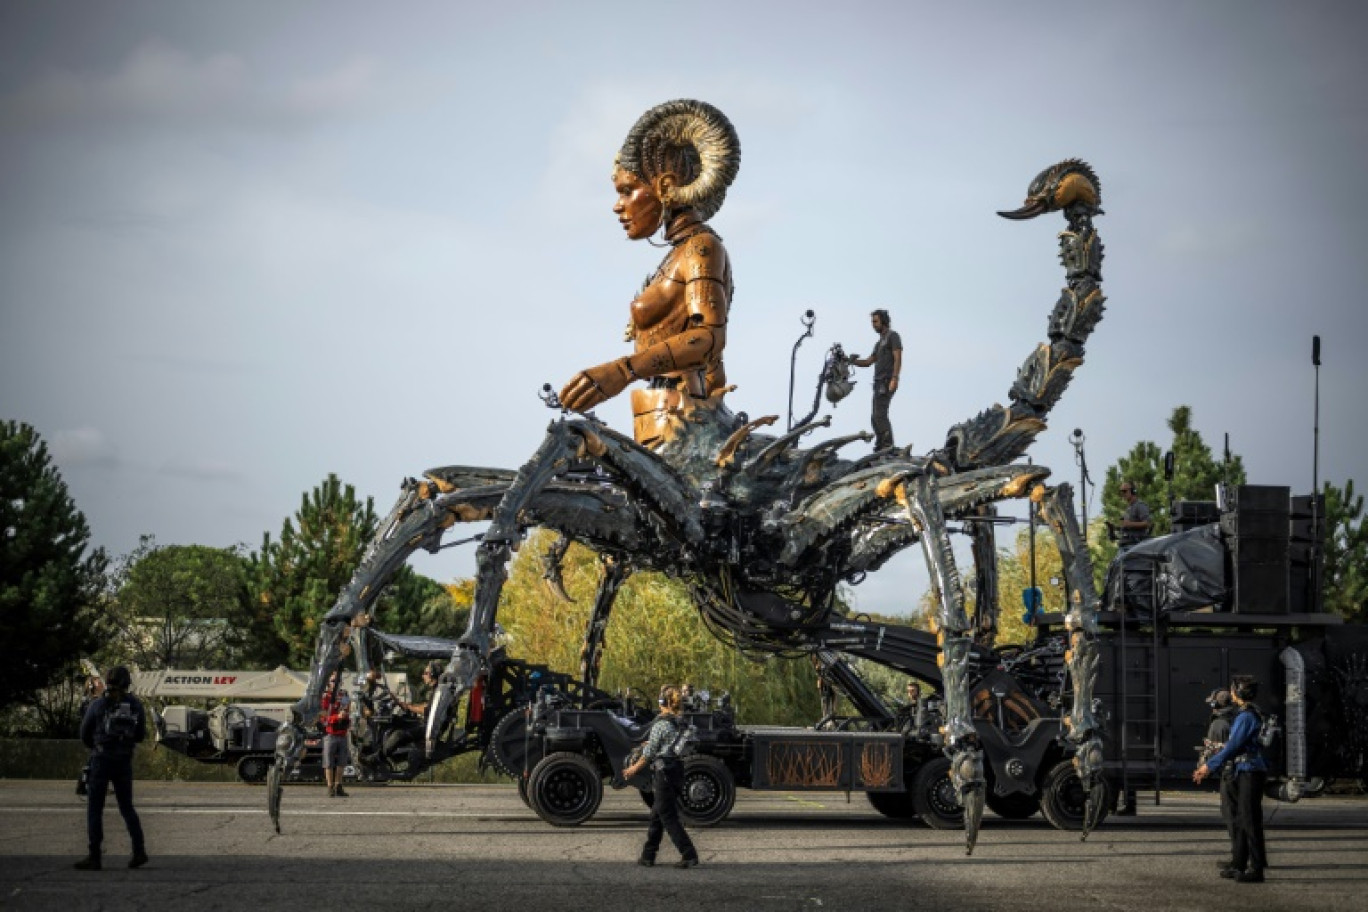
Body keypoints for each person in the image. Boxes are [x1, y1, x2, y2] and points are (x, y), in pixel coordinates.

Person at [556, 100, 741, 450]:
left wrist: (622, 370)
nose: (618, 205)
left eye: (627, 191)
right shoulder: (676, 255)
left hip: (686, 426)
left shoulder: (701, 248)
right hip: (658, 421)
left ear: (666, 187)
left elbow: (708, 337)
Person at [1193, 676, 1269, 883]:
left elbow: (1233, 746)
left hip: (1249, 771)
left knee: (1250, 820)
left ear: (1237, 693)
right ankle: (1239, 863)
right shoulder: (1248, 713)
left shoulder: (1245, 717)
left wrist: (1209, 765)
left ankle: (1257, 868)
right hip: (1244, 770)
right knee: (1242, 819)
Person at [75, 665, 147, 871]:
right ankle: (139, 850)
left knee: (95, 808)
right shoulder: (135, 705)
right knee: (127, 807)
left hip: (101, 759)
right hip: (124, 761)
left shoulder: (98, 705)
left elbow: (84, 734)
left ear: (108, 682)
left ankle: (94, 856)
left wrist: (98, 746)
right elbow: (141, 735)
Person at [622, 685, 699, 869]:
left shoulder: (660, 724)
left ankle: (688, 854)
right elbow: (670, 743)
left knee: (668, 817)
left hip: (663, 774)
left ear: (663, 703)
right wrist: (653, 742)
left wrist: (632, 769)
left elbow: (648, 755)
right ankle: (648, 856)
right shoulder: (679, 722)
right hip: (677, 772)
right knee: (657, 815)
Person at [849, 310, 903, 451]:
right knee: (874, 417)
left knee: (880, 415)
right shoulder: (879, 343)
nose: (873, 325)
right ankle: (880, 446)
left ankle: (888, 447)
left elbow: (898, 358)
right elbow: (868, 362)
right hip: (878, 383)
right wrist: (851, 361)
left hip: (887, 381)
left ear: (883, 321)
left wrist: (895, 378)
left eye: (875, 321)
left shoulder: (893, 336)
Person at [1199, 689, 1239, 860]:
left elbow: (1215, 751)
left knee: (1231, 814)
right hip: (1240, 772)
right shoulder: (1236, 717)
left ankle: (1238, 858)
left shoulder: (1218, 724)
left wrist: (1204, 766)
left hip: (1229, 774)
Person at [319, 669, 352, 797]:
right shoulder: (325, 696)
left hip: (342, 732)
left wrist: (345, 714)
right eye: (333, 681)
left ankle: (338, 785)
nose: (336, 683)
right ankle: (329, 786)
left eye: (338, 681)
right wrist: (336, 717)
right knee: (328, 761)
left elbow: (348, 709)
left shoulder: (344, 695)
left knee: (342, 761)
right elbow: (322, 716)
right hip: (330, 733)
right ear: (329, 682)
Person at [1108, 481, 1152, 551]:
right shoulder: (1128, 509)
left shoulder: (1140, 505)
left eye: (1124, 491)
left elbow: (1147, 523)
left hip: (1135, 545)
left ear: (1133, 491)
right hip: (1125, 545)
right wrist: (1114, 528)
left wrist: (1130, 524)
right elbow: (1127, 527)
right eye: (1121, 492)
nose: (1123, 494)